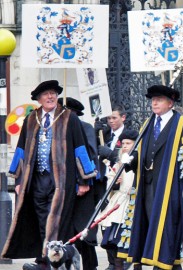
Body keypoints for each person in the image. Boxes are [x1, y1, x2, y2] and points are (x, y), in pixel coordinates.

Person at [2, 80, 97, 270]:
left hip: (62, 180)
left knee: (58, 220)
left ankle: (49, 263)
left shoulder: (69, 117)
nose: (50, 97)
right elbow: (21, 150)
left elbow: (81, 148)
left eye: (53, 93)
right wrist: (20, 179)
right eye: (46, 94)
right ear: (38, 99)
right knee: (41, 220)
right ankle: (45, 258)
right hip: (37, 179)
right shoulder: (31, 119)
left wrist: (84, 179)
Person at [124, 85, 183, 269]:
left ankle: (164, 264)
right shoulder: (147, 123)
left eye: (159, 99)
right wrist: (130, 161)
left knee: (168, 226)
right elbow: (142, 154)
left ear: (170, 103)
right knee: (151, 224)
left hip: (169, 186)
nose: (154, 102)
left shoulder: (181, 124)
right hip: (147, 184)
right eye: (152, 99)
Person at [58, 97, 99, 270]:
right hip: (61, 189)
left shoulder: (85, 128)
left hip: (81, 189)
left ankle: (91, 266)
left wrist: (84, 181)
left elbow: (89, 154)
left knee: (83, 233)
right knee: (63, 231)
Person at [95, 105, 130, 270]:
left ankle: (120, 261)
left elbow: (128, 153)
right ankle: (111, 261)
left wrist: (110, 153)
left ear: (123, 118)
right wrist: (97, 135)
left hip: (121, 187)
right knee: (105, 222)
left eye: (114, 118)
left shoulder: (129, 134)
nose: (111, 121)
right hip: (103, 182)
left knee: (117, 224)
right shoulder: (104, 134)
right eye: (108, 118)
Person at [98, 129, 139, 270]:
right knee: (115, 242)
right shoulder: (119, 162)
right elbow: (110, 182)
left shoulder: (138, 160)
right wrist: (116, 182)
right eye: (124, 143)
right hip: (118, 203)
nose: (126, 146)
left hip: (134, 203)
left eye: (129, 143)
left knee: (134, 242)